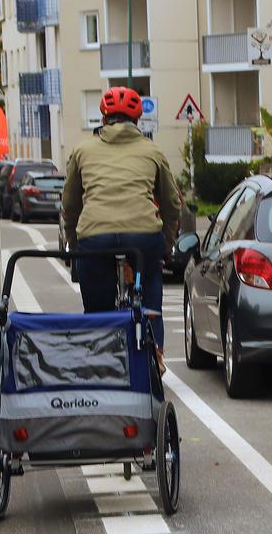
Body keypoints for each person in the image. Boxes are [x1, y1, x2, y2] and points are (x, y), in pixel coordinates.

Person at [61, 86, 182, 348]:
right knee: (149, 289)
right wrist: (166, 245)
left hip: (94, 235)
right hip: (143, 235)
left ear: (102, 119)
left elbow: (70, 205)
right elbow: (173, 204)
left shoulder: (82, 150)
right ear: (137, 121)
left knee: (97, 311)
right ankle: (154, 357)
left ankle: (100, 356)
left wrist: (73, 242)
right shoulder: (153, 151)